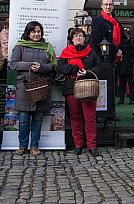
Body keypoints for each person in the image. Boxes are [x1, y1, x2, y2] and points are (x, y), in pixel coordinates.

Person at [9, 21, 56, 156]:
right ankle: (22, 146)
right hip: (24, 87)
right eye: (33, 31)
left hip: (41, 87)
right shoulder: (20, 46)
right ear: (28, 33)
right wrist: (30, 65)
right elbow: (13, 64)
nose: (36, 34)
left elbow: (53, 66)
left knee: (38, 118)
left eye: (38, 31)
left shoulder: (47, 47)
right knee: (23, 119)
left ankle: (34, 146)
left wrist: (41, 67)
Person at [58, 28, 101, 156]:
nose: (78, 38)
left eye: (80, 36)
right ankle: (78, 145)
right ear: (72, 39)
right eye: (75, 36)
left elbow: (99, 67)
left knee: (90, 117)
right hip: (71, 88)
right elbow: (61, 67)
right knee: (75, 116)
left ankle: (92, 145)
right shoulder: (66, 52)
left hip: (88, 88)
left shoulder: (91, 52)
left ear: (84, 38)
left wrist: (87, 72)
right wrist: (74, 69)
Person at [90, 0, 127, 64]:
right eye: (106, 4)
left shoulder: (116, 22)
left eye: (110, 4)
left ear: (113, 6)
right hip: (102, 59)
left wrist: (121, 51)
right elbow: (98, 39)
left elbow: (124, 39)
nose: (108, 7)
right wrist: (116, 50)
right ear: (102, 6)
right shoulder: (96, 21)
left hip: (117, 59)